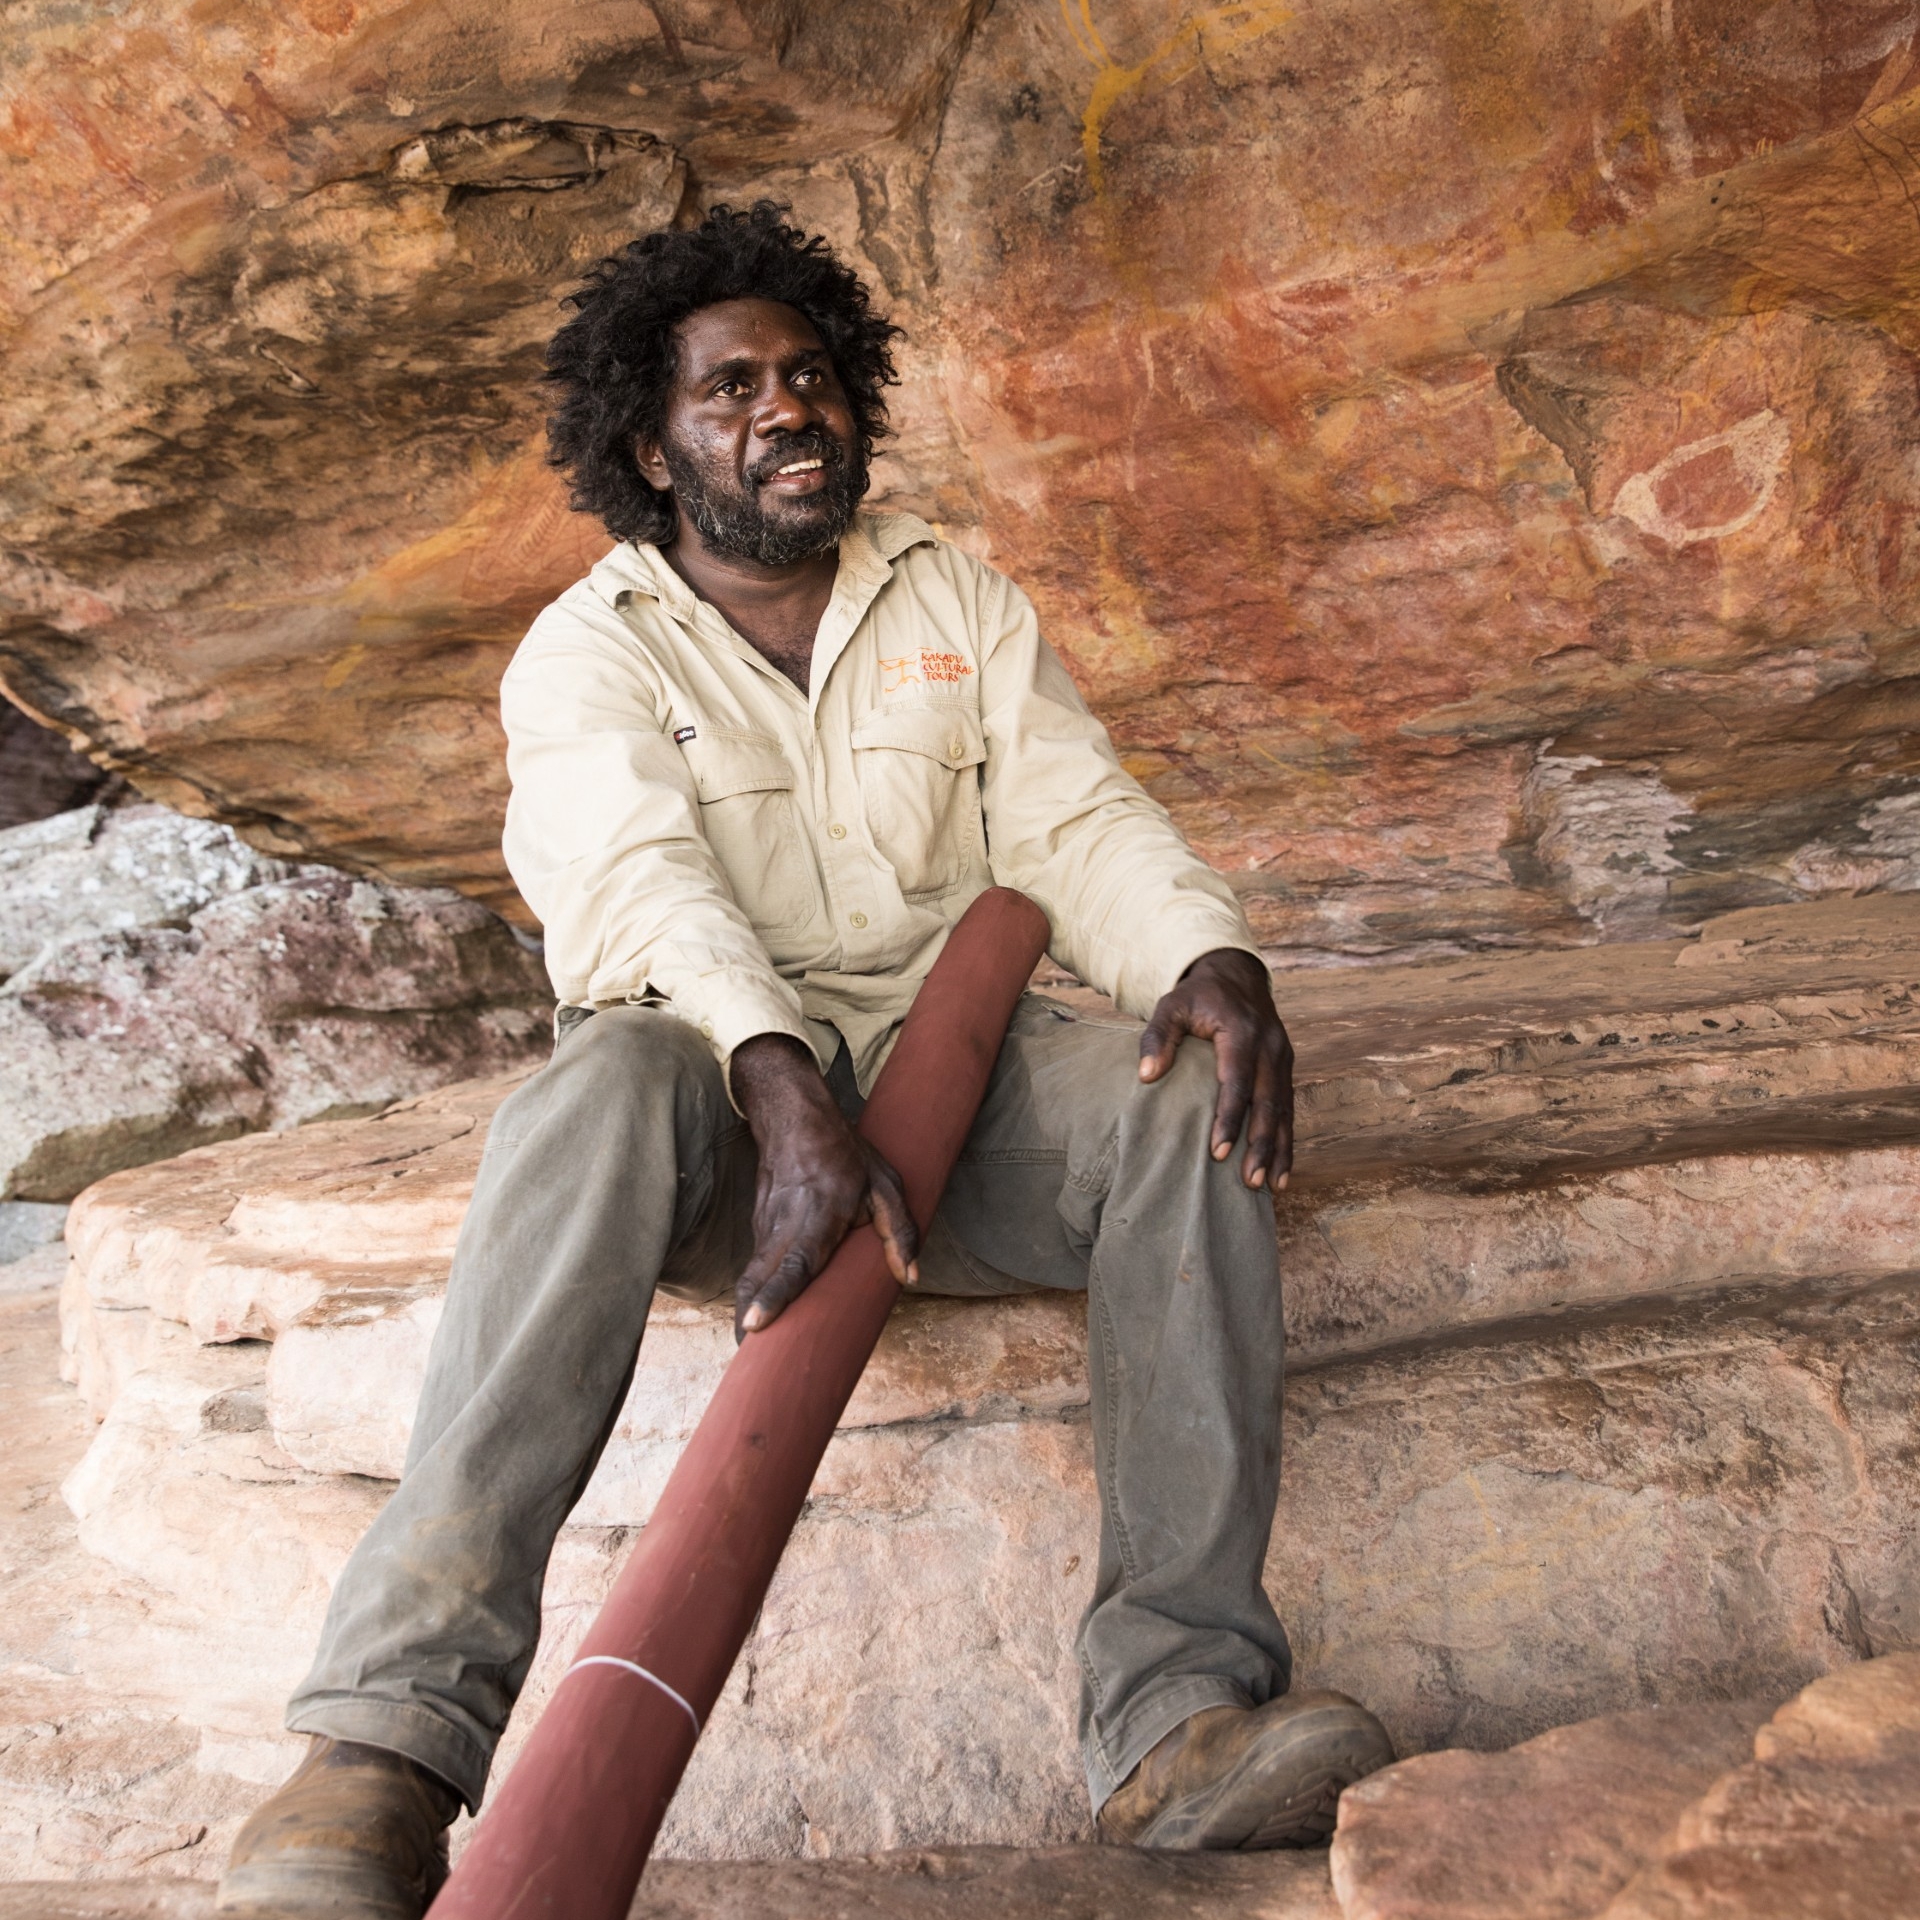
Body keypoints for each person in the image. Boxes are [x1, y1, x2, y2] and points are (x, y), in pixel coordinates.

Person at [215, 202, 1393, 1919]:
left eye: (814, 376)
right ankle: (378, 1756)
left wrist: (1211, 958)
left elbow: (1070, 813)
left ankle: (1177, 1721)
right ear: (651, 439)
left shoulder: (953, 595)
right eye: (733, 387)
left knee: (1180, 1102)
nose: (789, 410)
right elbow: (632, 885)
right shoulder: (591, 648)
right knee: (596, 1090)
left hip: (950, 1086)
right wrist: (775, 1080)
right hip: (713, 1114)